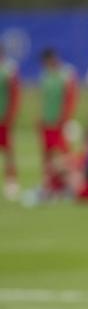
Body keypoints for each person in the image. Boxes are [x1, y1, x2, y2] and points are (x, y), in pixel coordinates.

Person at [38, 47, 77, 197]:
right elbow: (44, 98)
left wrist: (65, 118)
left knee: (64, 154)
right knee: (47, 155)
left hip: (60, 122)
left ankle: (69, 184)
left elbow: (71, 98)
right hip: (46, 121)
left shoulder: (66, 74)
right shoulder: (45, 75)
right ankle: (48, 184)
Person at [0, 45, 20, 200]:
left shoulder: (8, 70)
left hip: (3, 117)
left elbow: (14, 93)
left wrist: (11, 114)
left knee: (8, 151)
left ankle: (11, 182)